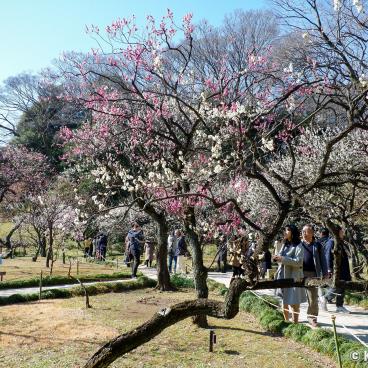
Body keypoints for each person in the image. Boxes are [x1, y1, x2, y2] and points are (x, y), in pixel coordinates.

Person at [274, 224, 306, 323]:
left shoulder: (299, 245)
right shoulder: (285, 244)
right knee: (284, 301)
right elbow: (280, 256)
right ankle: (286, 322)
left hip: (294, 276)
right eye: (285, 230)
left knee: (294, 302)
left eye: (288, 230)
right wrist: (276, 257)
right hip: (283, 275)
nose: (285, 232)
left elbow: (299, 262)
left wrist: (283, 259)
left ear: (293, 232)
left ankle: (295, 323)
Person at [301, 224, 328, 327]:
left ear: (312, 233)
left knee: (313, 297)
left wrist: (325, 273)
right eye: (303, 231)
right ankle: (292, 315)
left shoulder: (317, 246)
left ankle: (312, 317)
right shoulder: (299, 244)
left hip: (312, 274)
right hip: (299, 274)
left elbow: (323, 260)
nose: (303, 233)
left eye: (306, 231)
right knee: (295, 295)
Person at [323, 225, 351, 313]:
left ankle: (339, 306)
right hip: (336, 270)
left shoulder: (339, 242)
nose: (343, 233)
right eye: (341, 231)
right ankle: (325, 298)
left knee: (342, 286)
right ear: (336, 232)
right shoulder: (331, 242)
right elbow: (327, 256)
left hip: (343, 269)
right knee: (337, 286)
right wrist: (329, 269)